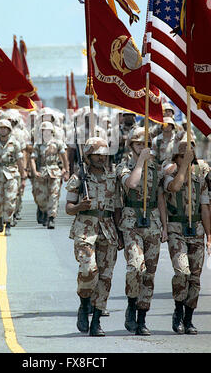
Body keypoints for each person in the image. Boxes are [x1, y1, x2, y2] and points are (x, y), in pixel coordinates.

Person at [116, 127, 168, 336]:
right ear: (131, 146)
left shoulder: (155, 168)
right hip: (131, 222)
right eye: (138, 144)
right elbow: (132, 183)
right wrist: (140, 162)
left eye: (145, 144)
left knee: (150, 274)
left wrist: (164, 226)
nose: (142, 147)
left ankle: (142, 317)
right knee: (135, 267)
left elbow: (161, 198)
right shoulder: (123, 166)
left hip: (153, 223)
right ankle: (131, 304)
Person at [65, 137, 119, 337]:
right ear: (87, 156)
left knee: (105, 277)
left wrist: (120, 234)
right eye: (96, 155)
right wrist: (80, 206)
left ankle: (96, 320)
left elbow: (118, 208)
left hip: (108, 229)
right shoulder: (79, 178)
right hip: (85, 229)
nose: (100, 158)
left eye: (103, 155)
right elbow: (69, 208)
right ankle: (84, 304)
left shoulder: (113, 177)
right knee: (89, 270)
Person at [162, 134, 211, 335]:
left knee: (195, 278)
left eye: (189, 157)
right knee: (182, 271)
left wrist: (209, 237)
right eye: (183, 157)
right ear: (176, 159)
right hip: (176, 230)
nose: (187, 160)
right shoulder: (169, 176)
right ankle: (178, 309)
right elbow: (174, 187)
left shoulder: (200, 181)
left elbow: (206, 207)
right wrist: (184, 166)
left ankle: (189, 317)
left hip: (196, 230)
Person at [0, 119, 27, 236]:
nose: (3, 130)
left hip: (11, 174)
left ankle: (8, 223)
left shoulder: (15, 144)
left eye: (5, 128)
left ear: (9, 130)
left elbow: (19, 160)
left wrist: (23, 177)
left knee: (10, 200)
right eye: (1, 128)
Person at [30, 121, 69, 229]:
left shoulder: (57, 143)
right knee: (40, 197)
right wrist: (34, 171)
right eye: (43, 131)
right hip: (42, 171)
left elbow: (64, 157)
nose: (45, 133)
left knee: (53, 195)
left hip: (54, 171)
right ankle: (42, 210)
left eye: (47, 131)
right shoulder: (38, 144)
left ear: (52, 131)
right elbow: (32, 158)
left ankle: (51, 218)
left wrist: (66, 170)